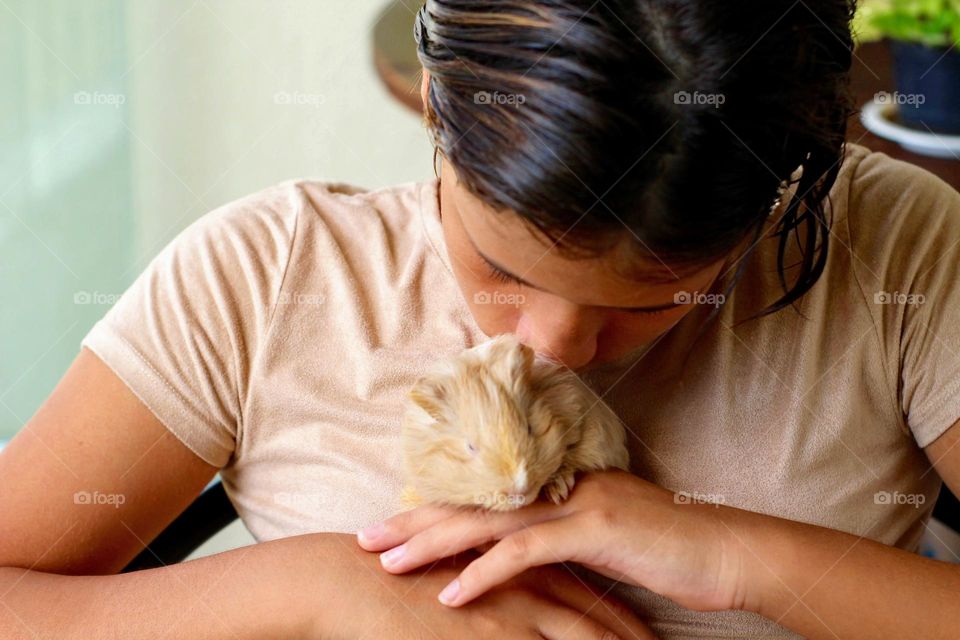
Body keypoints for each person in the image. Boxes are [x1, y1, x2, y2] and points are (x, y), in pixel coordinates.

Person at [2, 0, 960, 637]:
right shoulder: (269, 278)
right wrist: (320, 591)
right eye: (501, 266)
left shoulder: (900, 250)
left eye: (656, 300)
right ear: (434, 110)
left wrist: (731, 551)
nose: (551, 348)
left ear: (776, 194)